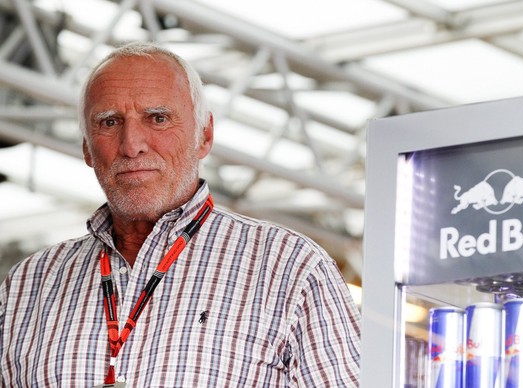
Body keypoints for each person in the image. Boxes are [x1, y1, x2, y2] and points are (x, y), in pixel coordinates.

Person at [0, 42, 361, 387]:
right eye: (109, 122)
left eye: (157, 118)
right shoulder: (26, 286)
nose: (131, 145)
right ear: (87, 149)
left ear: (204, 136)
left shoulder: (290, 268)